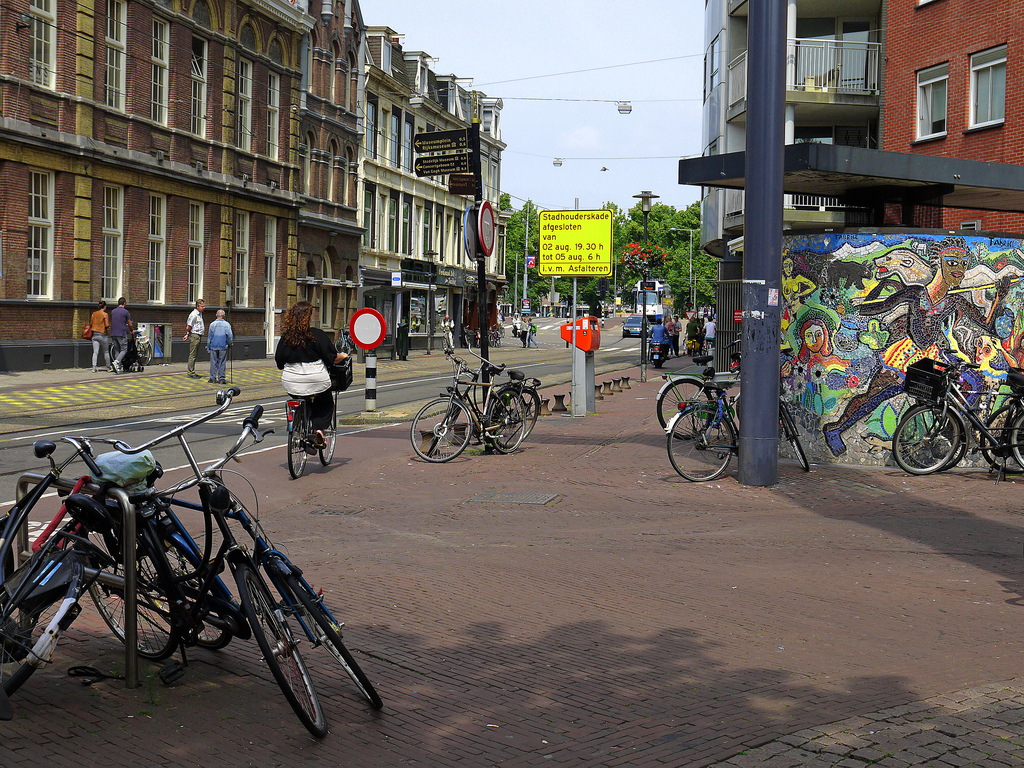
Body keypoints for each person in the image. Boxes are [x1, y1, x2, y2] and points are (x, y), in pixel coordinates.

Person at [275, 301, 349, 447]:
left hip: (291, 382)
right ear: (308, 318)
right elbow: (332, 358)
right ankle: (319, 430)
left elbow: (279, 362)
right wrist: (344, 356)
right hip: (316, 380)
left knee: (301, 397)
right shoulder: (317, 335)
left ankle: (299, 426)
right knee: (325, 401)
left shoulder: (286, 337)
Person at [206, 309, 233, 384]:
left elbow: (209, 337)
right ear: (224, 316)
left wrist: (208, 346)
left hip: (214, 345)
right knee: (222, 362)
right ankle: (221, 378)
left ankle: (212, 378)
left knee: (213, 362)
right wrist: (230, 343)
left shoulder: (212, 324)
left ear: (216, 315)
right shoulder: (227, 325)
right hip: (223, 346)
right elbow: (229, 336)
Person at [183, 299, 206, 379]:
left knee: (194, 355)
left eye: (204, 306)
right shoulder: (194, 315)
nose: (204, 308)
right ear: (197, 306)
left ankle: (192, 371)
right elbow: (189, 326)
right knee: (192, 355)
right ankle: (191, 372)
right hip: (194, 335)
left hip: (198, 335)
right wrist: (187, 334)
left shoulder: (199, 314)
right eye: (202, 306)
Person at [109, 297, 132, 373]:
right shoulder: (126, 312)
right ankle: (117, 362)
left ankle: (117, 367)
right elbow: (129, 323)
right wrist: (131, 330)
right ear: (124, 303)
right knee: (124, 349)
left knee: (117, 350)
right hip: (121, 333)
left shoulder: (113, 311)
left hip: (113, 333)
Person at [89, 300, 111, 373]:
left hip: (95, 335)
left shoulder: (94, 314)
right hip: (103, 335)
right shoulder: (105, 314)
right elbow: (107, 325)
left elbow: (91, 323)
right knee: (106, 351)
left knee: (95, 352)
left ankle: (94, 367)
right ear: (104, 307)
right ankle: (108, 367)